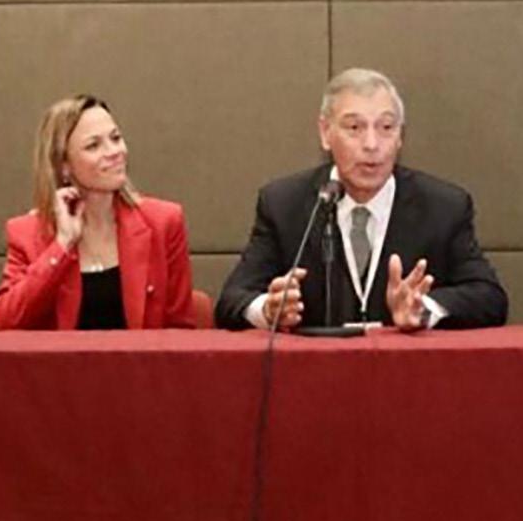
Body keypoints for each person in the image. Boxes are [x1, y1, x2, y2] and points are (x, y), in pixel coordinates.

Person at [215, 68, 507, 331]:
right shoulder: (284, 204)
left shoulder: (443, 206)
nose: (371, 144)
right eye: (354, 128)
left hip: (405, 370)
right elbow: (232, 301)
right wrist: (269, 310)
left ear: (401, 137)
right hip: (317, 370)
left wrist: (424, 308)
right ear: (325, 133)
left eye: (386, 128)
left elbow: (490, 297)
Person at [0, 95, 195, 329]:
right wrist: (61, 246)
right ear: (64, 166)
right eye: (93, 146)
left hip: (141, 355)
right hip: (62, 355)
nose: (114, 151)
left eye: (115, 138)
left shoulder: (163, 222)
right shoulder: (27, 232)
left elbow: (181, 331)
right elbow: (5, 322)